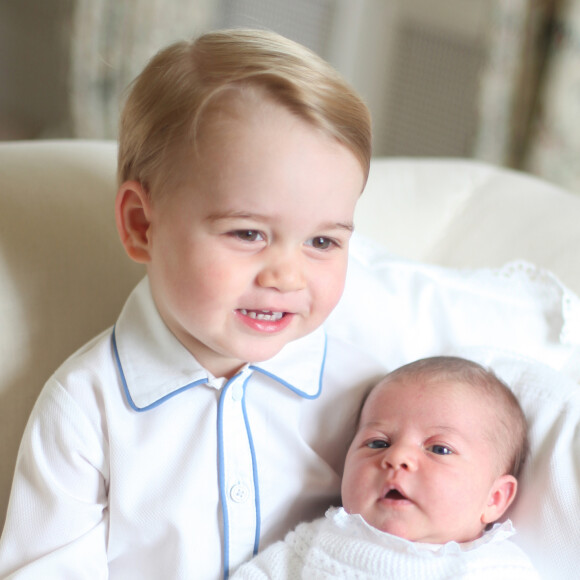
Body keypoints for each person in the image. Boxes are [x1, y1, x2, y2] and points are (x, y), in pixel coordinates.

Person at [0, 29, 384, 579]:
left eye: (322, 242)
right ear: (141, 225)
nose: (286, 275)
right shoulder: (88, 407)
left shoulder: (368, 394)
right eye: (248, 233)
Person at [232, 356, 540, 579]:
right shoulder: (317, 542)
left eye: (439, 449)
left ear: (494, 499)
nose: (397, 457)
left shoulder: (497, 568)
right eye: (378, 443)